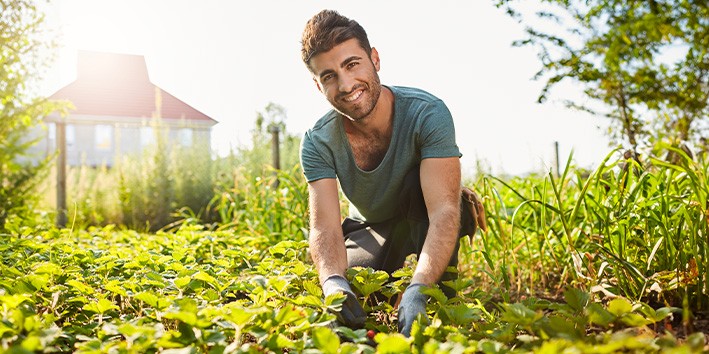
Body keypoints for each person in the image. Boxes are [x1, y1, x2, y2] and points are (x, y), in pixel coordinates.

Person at [299, 9, 486, 337]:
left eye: (352, 64)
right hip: (371, 227)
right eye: (329, 76)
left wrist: (419, 288)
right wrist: (333, 283)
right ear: (318, 85)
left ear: (375, 59)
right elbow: (325, 227)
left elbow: (443, 211)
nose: (345, 85)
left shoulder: (427, 113)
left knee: (444, 201)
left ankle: (429, 294)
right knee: (356, 292)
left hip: (425, 212)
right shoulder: (318, 141)